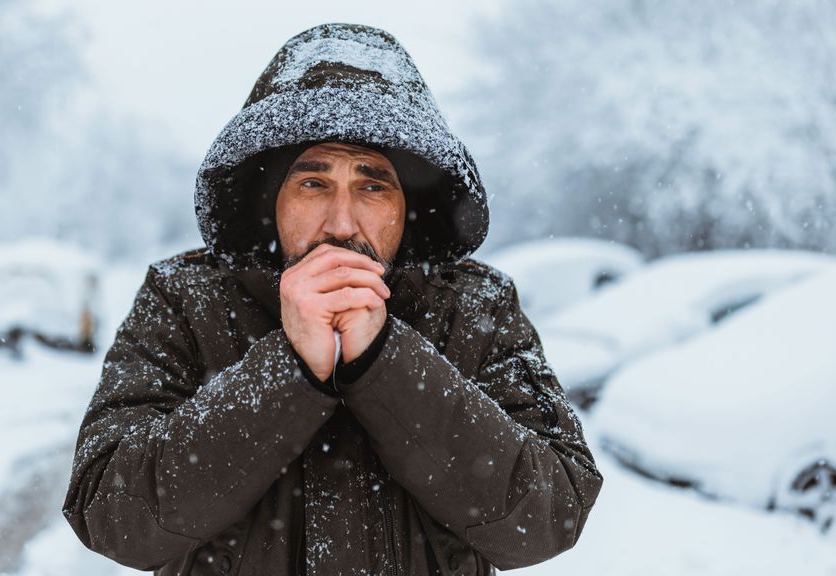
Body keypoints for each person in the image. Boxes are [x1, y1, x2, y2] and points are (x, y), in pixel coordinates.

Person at [63, 23, 602, 575]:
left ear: (408, 208)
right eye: (313, 183)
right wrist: (288, 368)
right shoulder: (186, 299)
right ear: (269, 199)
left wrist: (383, 359)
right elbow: (112, 518)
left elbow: (548, 518)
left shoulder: (477, 308)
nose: (342, 225)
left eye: (373, 185)